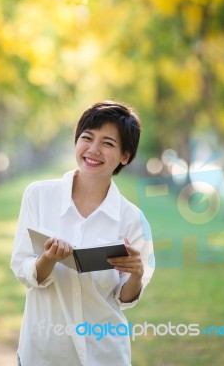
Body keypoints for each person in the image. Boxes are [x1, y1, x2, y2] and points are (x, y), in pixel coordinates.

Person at [11, 100, 155, 366]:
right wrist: (49, 259)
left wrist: (135, 273)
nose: (93, 149)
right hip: (44, 352)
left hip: (104, 354)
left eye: (108, 143)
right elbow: (23, 270)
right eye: (87, 138)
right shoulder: (38, 196)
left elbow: (125, 297)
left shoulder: (131, 217)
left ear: (125, 156)